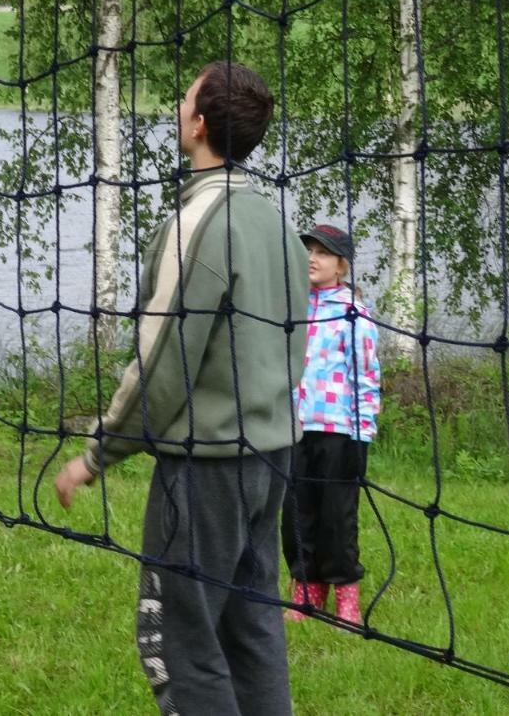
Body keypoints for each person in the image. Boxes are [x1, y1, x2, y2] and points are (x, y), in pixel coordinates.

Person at [54, 62, 310, 715]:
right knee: (250, 633)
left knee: (178, 642)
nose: (176, 102)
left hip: (207, 469)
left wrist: (95, 454)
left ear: (199, 124)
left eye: (185, 95)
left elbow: (161, 365)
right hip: (271, 455)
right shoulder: (277, 222)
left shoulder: (197, 223)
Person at [281, 224, 380, 625]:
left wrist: (363, 431)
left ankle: (347, 600)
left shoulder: (354, 314)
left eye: (323, 253)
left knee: (337, 515)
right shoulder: (291, 309)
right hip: (294, 428)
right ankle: (305, 592)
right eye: (308, 250)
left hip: (340, 431)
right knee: (296, 512)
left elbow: (367, 376)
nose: (312, 259)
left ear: (341, 265)